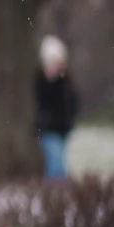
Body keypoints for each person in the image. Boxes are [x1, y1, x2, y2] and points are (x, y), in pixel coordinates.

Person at [35, 35, 78, 179]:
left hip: (62, 128)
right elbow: (44, 99)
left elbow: (72, 102)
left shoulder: (65, 82)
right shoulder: (43, 82)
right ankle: (56, 189)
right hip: (49, 128)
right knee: (55, 164)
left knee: (59, 161)